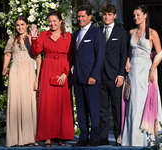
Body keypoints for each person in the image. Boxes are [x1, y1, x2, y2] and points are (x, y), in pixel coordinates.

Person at [121, 5, 162, 146]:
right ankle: (132, 139)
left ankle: (147, 140)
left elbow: (160, 54)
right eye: (134, 16)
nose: (135, 18)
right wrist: (127, 61)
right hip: (133, 71)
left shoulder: (152, 33)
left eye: (138, 15)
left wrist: (152, 70)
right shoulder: (131, 32)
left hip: (146, 71)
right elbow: (130, 51)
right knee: (133, 102)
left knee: (144, 102)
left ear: (145, 15)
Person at [30, 10, 74, 147]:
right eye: (50, 21)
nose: (52, 23)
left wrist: (65, 73)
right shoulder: (43, 35)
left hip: (62, 70)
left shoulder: (68, 37)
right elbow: (35, 51)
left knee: (63, 103)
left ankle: (62, 136)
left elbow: (71, 56)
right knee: (47, 103)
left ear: (60, 21)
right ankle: (47, 137)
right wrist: (34, 38)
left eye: (55, 21)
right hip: (48, 70)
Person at [2, 15, 41, 147]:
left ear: (27, 25)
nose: (20, 27)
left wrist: (37, 78)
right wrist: (4, 69)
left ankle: (30, 138)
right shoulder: (12, 40)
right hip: (15, 73)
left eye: (22, 24)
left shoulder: (33, 39)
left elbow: (38, 59)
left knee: (29, 102)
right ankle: (16, 139)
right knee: (16, 102)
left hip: (29, 73)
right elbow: (8, 55)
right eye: (18, 25)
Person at [72, 5, 106, 147]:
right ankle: (83, 137)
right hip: (78, 77)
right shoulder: (75, 34)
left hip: (91, 77)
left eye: (83, 16)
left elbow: (100, 56)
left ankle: (95, 137)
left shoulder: (97, 33)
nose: (80, 19)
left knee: (93, 108)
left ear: (89, 17)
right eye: (78, 16)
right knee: (81, 109)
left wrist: (94, 75)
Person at [98, 4, 128, 146]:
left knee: (117, 108)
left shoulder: (121, 33)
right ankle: (103, 137)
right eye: (105, 14)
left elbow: (124, 55)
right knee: (102, 109)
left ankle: (118, 137)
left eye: (109, 14)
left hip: (115, 76)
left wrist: (121, 75)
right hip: (100, 76)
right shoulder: (97, 32)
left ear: (114, 16)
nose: (107, 17)